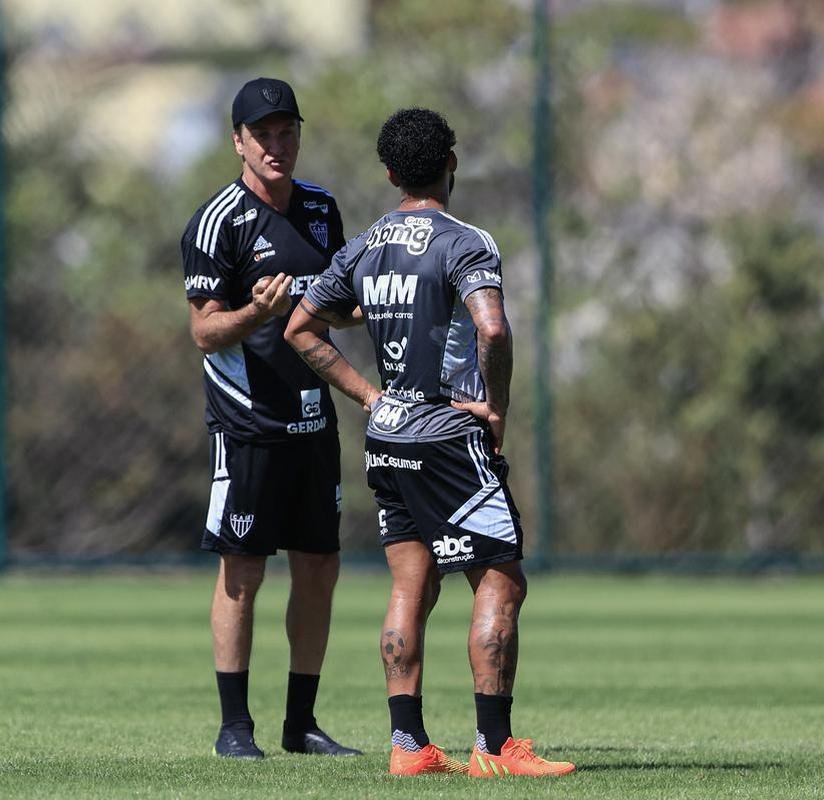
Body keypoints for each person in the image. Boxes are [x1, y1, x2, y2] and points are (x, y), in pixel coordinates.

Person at [285, 107, 575, 778]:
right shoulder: (465, 241)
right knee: (500, 577)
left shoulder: (364, 245)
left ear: (389, 173)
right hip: (448, 437)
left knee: (410, 583)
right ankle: (496, 749)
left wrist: (367, 396)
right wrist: (495, 409)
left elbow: (301, 326)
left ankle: (408, 747)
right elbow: (494, 330)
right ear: (452, 161)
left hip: (386, 439)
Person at [179, 77, 361, 761]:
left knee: (319, 568)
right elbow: (204, 333)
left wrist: (382, 305)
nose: (276, 146)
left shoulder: (320, 209)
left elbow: (336, 309)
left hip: (314, 419)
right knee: (243, 571)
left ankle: (301, 723)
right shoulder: (216, 222)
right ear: (238, 142)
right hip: (247, 422)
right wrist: (256, 312)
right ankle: (235, 727)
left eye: (287, 132)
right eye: (263, 135)